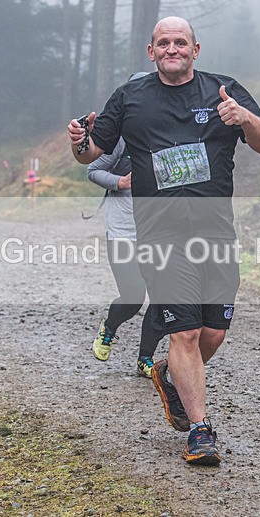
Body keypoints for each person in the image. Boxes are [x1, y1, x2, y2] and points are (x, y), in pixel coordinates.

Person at [68, 16, 260, 465]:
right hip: (160, 232)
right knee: (186, 330)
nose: (172, 49)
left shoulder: (224, 90)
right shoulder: (130, 98)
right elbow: (90, 153)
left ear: (195, 50)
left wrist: (242, 117)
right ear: (151, 51)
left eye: (181, 42)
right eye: (164, 43)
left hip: (216, 230)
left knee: (214, 333)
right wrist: (78, 141)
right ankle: (201, 431)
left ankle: (169, 373)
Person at [87, 72, 163, 378]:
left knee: (162, 296)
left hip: (159, 229)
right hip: (122, 230)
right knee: (133, 296)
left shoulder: (168, 133)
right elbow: (93, 168)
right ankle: (110, 326)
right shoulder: (120, 138)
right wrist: (120, 180)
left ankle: (145, 358)